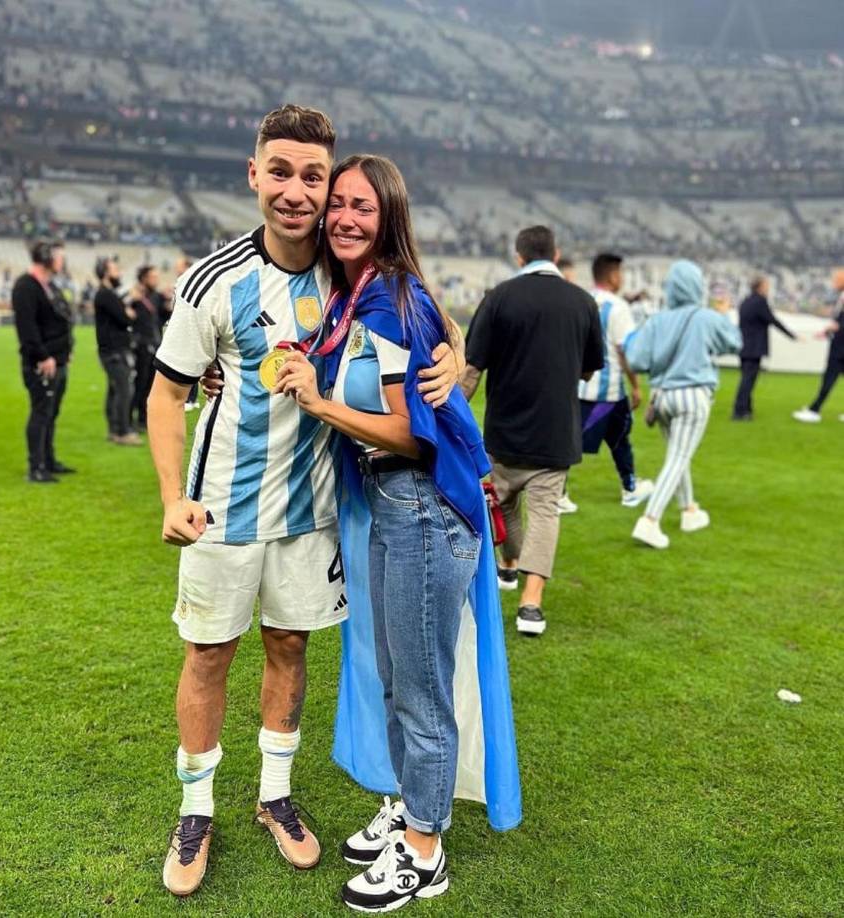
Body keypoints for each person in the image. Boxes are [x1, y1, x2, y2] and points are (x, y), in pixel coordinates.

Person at [145, 106, 458, 898]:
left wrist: (457, 359)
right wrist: (171, 496)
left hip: (312, 514)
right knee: (209, 655)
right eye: (279, 171)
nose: (296, 191)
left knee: (290, 651)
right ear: (254, 174)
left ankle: (275, 797)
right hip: (221, 513)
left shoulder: (346, 268)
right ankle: (195, 811)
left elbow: (428, 311)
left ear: (327, 186)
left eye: (312, 176)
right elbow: (164, 393)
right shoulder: (212, 281)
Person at [275, 153, 520, 913]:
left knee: (418, 691)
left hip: (419, 506)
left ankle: (424, 849)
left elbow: (411, 435)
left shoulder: (384, 299)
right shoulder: (367, 297)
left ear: (389, 221)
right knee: (395, 677)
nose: (344, 216)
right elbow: (429, 342)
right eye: (337, 203)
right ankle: (407, 813)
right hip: (395, 507)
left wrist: (319, 404)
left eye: (363, 208)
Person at [461, 225, 604, 635]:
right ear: (555, 255)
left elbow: (472, 369)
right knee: (544, 514)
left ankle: (508, 565)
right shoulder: (583, 302)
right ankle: (531, 603)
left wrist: (447, 418)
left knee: (503, 505)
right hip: (555, 431)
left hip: (505, 429)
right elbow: (591, 368)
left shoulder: (499, 297)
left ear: (519, 256)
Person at [625, 260, 741, 550]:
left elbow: (636, 360)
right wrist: (723, 315)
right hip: (693, 396)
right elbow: (734, 343)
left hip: (661, 396)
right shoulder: (706, 317)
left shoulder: (656, 321)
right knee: (678, 458)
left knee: (678, 456)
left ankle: (689, 510)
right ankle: (649, 520)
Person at [572, 253, 654, 508]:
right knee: (581, 440)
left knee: (618, 436)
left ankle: (629, 486)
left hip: (580, 385)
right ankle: (559, 493)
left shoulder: (580, 300)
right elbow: (624, 350)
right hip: (607, 389)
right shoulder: (618, 307)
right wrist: (637, 385)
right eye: (621, 273)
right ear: (613, 275)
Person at [12, 240, 75, 482]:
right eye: (59, 257)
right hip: (42, 364)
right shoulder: (26, 286)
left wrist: (66, 351)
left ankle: (48, 460)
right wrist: (42, 356)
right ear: (47, 258)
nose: (62, 261)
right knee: (41, 412)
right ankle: (36, 466)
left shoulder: (49, 286)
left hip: (57, 361)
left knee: (51, 413)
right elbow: (27, 328)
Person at [732, 276, 796, 421]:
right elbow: (772, 320)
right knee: (748, 380)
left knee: (746, 378)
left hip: (744, 345)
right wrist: (791, 335)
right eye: (766, 285)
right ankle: (740, 410)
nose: (768, 288)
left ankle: (746, 409)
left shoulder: (745, 301)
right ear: (760, 287)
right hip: (755, 347)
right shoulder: (760, 302)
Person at [94, 256, 142, 446]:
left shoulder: (108, 294)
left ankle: (114, 430)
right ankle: (122, 432)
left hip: (112, 350)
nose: (119, 273)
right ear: (105, 273)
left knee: (115, 390)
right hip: (114, 351)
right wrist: (128, 311)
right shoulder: (106, 294)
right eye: (115, 269)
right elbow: (125, 318)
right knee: (124, 390)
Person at [793, 268, 844, 424]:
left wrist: (831, 329)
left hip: (840, 348)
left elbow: (840, 322)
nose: (833, 282)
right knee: (829, 378)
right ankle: (814, 409)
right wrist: (828, 332)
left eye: (836, 279)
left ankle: (814, 410)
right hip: (839, 344)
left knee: (829, 378)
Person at [129, 264, 170, 432]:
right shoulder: (136, 296)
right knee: (139, 383)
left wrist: (168, 308)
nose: (156, 280)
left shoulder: (157, 296)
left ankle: (143, 419)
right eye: (152, 277)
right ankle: (129, 419)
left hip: (155, 345)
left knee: (150, 385)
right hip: (140, 345)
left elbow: (162, 317)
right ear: (144, 278)